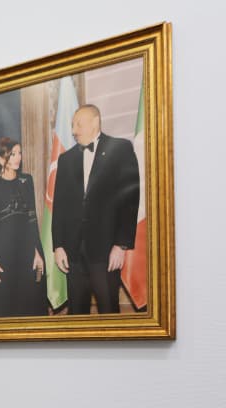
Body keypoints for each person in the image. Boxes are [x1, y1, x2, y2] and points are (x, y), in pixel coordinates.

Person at [51, 104, 140, 314]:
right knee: (77, 316)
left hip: (106, 252)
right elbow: (60, 205)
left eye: (78, 124)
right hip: (73, 253)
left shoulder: (121, 149)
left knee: (109, 312)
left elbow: (130, 201)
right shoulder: (66, 159)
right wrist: (58, 246)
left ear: (95, 122)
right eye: (72, 125)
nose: (74, 130)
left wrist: (121, 245)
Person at [0, 137, 48, 317]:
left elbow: (32, 219)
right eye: (13, 154)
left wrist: (37, 252)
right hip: (4, 257)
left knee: (31, 306)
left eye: (19, 153)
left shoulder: (27, 181)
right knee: (7, 309)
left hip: (27, 253)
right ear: (1, 159)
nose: (18, 157)